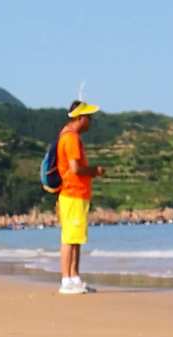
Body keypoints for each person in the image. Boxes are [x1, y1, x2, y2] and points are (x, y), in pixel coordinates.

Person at [57, 100, 104, 296]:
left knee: (75, 238)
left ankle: (74, 277)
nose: (91, 121)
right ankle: (66, 280)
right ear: (80, 118)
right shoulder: (71, 138)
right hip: (73, 193)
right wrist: (94, 171)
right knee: (70, 238)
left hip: (75, 194)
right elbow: (75, 168)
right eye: (89, 118)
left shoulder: (68, 135)